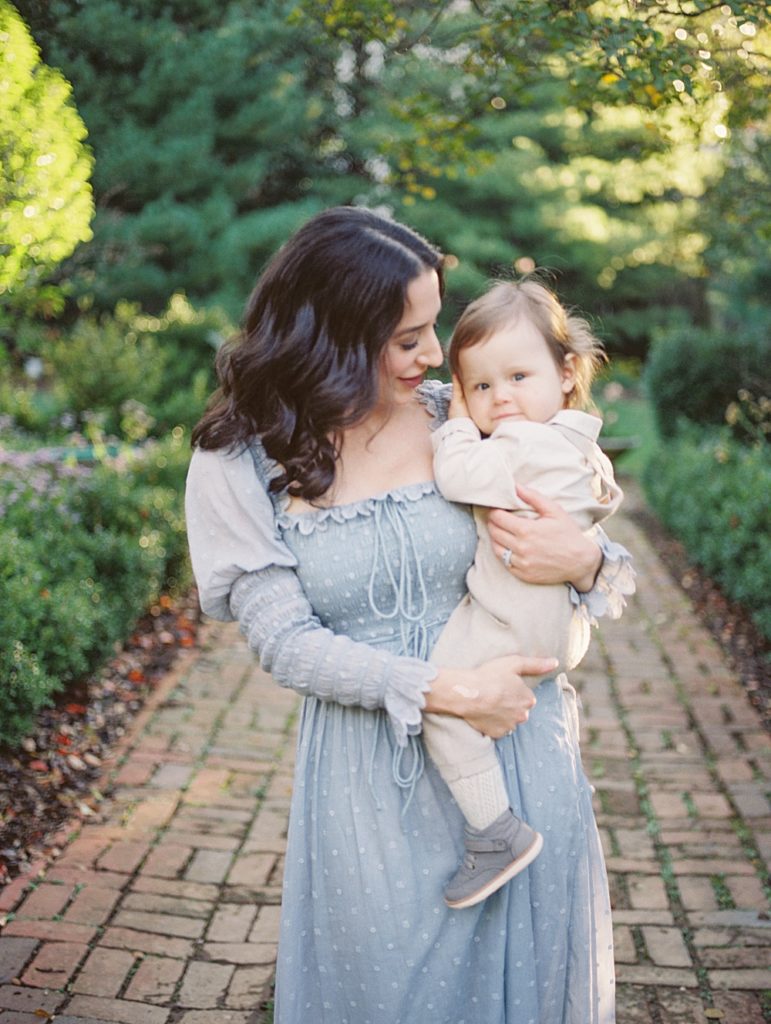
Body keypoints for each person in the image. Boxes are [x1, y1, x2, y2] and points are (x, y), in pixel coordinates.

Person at [185, 206, 633, 1024]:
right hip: (370, 778)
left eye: (432, 328)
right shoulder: (239, 458)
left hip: (518, 748)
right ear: (330, 337)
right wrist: (447, 693)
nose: (434, 356)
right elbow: (286, 644)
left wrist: (585, 561)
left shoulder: (454, 416)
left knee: (523, 990)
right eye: (406, 338)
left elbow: (587, 528)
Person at [424, 280, 627, 912]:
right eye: (480, 386)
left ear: (568, 372)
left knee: (436, 699)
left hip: (515, 617)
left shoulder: (517, 443)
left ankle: (494, 830)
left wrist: (459, 425)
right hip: (555, 622)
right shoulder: (578, 445)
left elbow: (457, 476)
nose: (500, 397)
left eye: (517, 375)